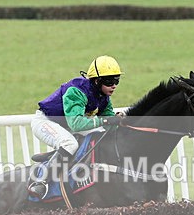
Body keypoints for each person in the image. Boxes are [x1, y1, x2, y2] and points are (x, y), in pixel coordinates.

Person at [28, 55, 125, 199]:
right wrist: (106, 121)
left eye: (116, 80)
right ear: (97, 81)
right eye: (110, 81)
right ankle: (40, 182)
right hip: (46, 121)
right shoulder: (76, 90)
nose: (114, 85)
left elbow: (109, 124)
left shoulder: (103, 96)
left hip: (66, 125)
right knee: (69, 143)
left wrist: (120, 122)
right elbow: (77, 124)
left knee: (100, 132)